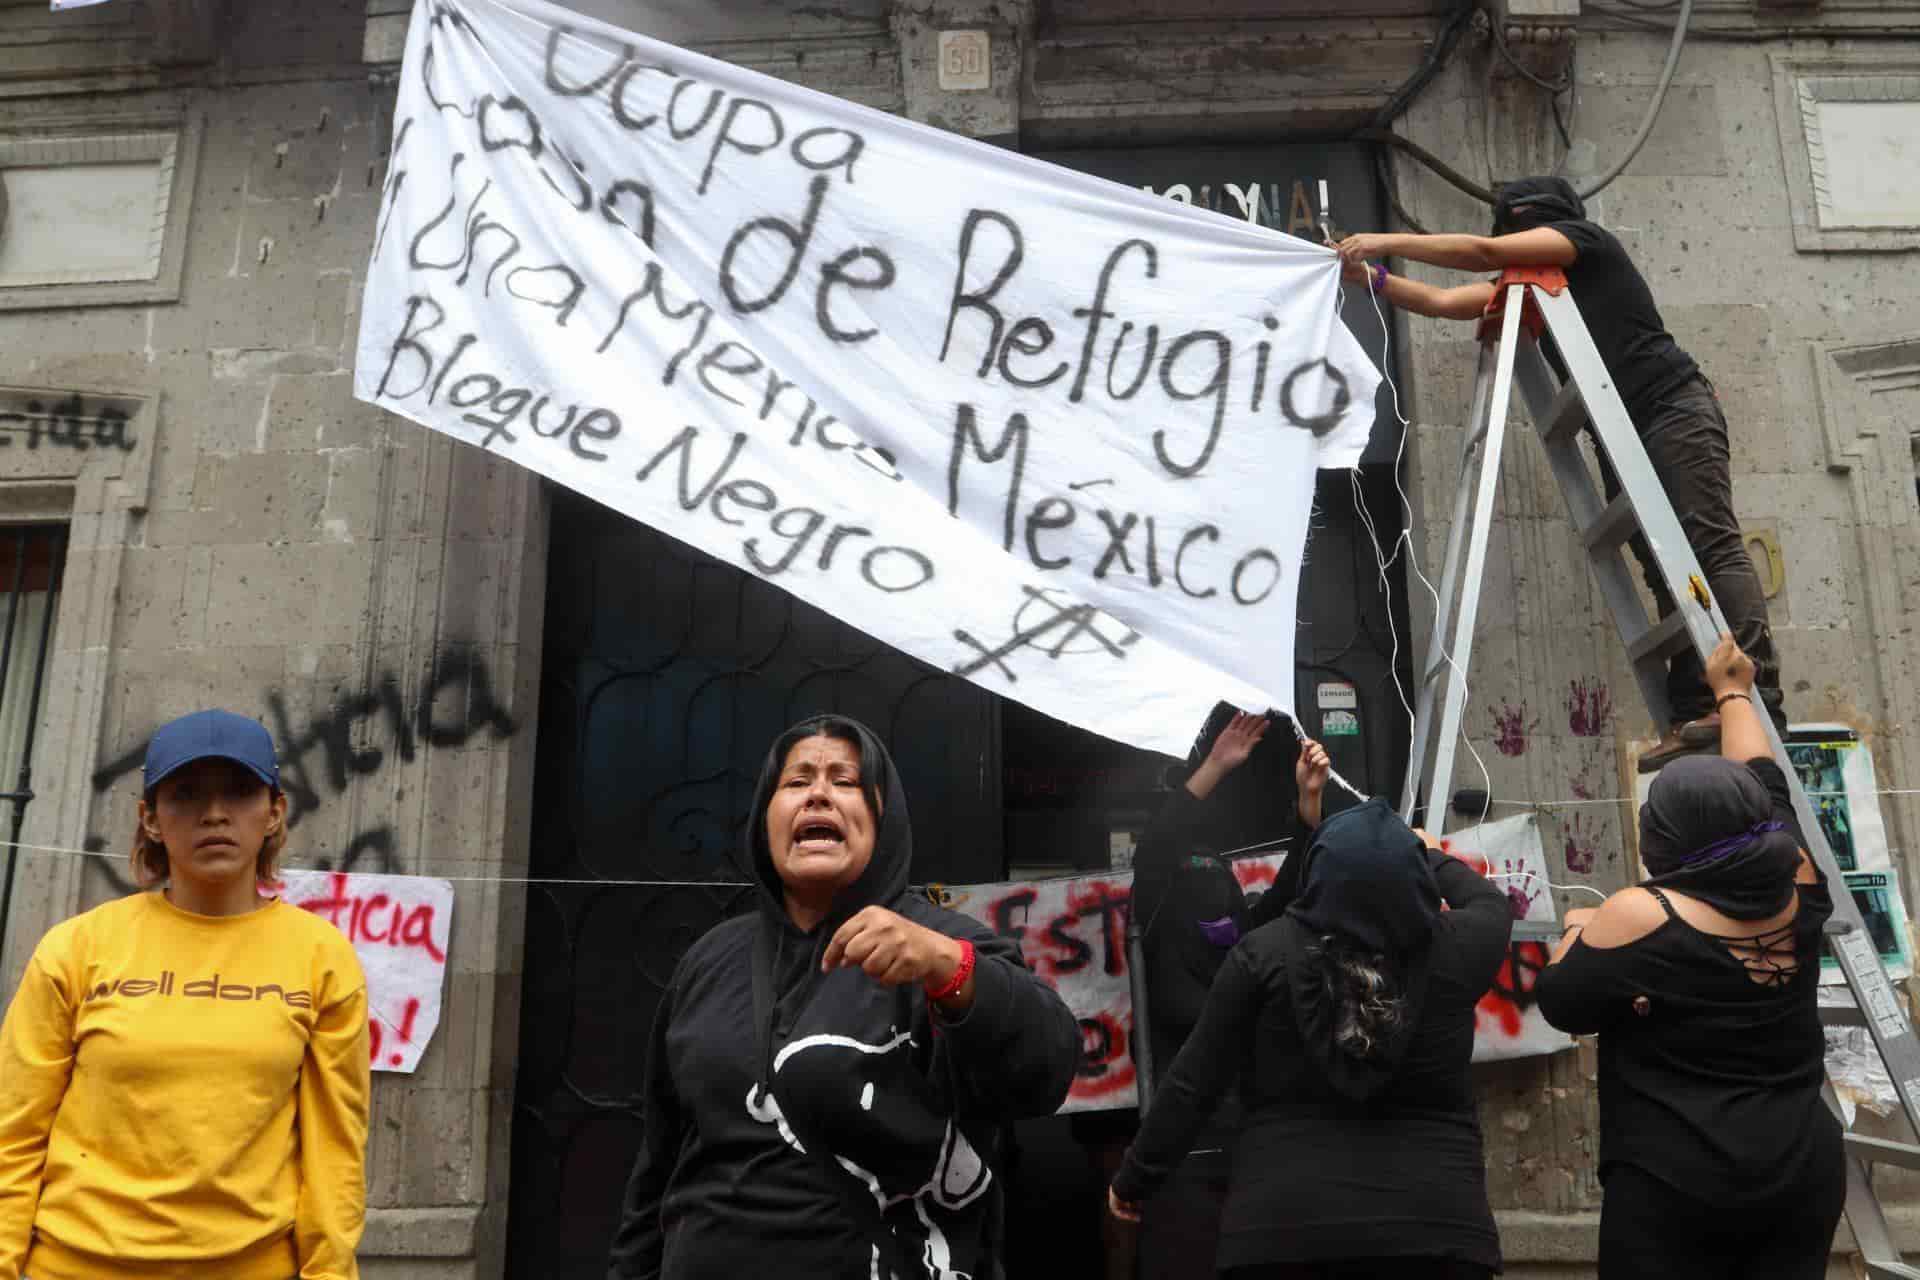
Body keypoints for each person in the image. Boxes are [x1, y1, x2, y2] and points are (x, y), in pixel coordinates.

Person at [607, 713, 1081, 1280]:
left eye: (846, 781)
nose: (819, 795)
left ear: (883, 817)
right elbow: (658, 1165)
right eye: (797, 781)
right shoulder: (708, 960)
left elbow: (1049, 1068)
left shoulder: (942, 946)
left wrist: (946, 967)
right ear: (766, 817)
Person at [1336, 177, 1787, 768]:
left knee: (1710, 546)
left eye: (1523, 230)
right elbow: (1444, 303)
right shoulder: (1531, 287)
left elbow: (1484, 253)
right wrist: (1369, 278)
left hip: (1671, 407)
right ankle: (1695, 706)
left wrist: (1379, 240)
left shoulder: (1587, 244)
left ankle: (1759, 697)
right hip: (1621, 432)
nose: (1517, 240)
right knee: (1661, 570)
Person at [1109, 754, 1512, 1279]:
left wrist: (1135, 1179)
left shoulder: (1262, 955)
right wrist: (1426, 854)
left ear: (1317, 877)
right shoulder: (1459, 949)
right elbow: (1489, 903)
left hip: (1283, 1233)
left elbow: (1194, 1081)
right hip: (1437, 1230)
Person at [0, 709, 371, 1280]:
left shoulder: (321, 957)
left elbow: (335, 1154)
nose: (215, 814)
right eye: (186, 794)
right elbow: (13, 1131)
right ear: (149, 818)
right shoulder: (77, 948)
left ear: (274, 813)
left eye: (241, 791)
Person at [1534, 634, 1842, 1279]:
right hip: (1800, 1170)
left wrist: (1577, 927)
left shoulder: (1643, 914)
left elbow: (1563, 1001)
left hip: (1677, 1186)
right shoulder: (1798, 878)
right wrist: (1732, 691)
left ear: (1663, 840)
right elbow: (1764, 781)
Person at [1118, 712, 1330, 1280]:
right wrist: (1215, 765)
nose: (1209, 885)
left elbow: (1290, 898)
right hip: (1180, 1154)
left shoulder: (1244, 951)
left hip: (1253, 1146)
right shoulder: (1160, 919)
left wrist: (1309, 811)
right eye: (1194, 873)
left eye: (1219, 877)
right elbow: (1160, 847)